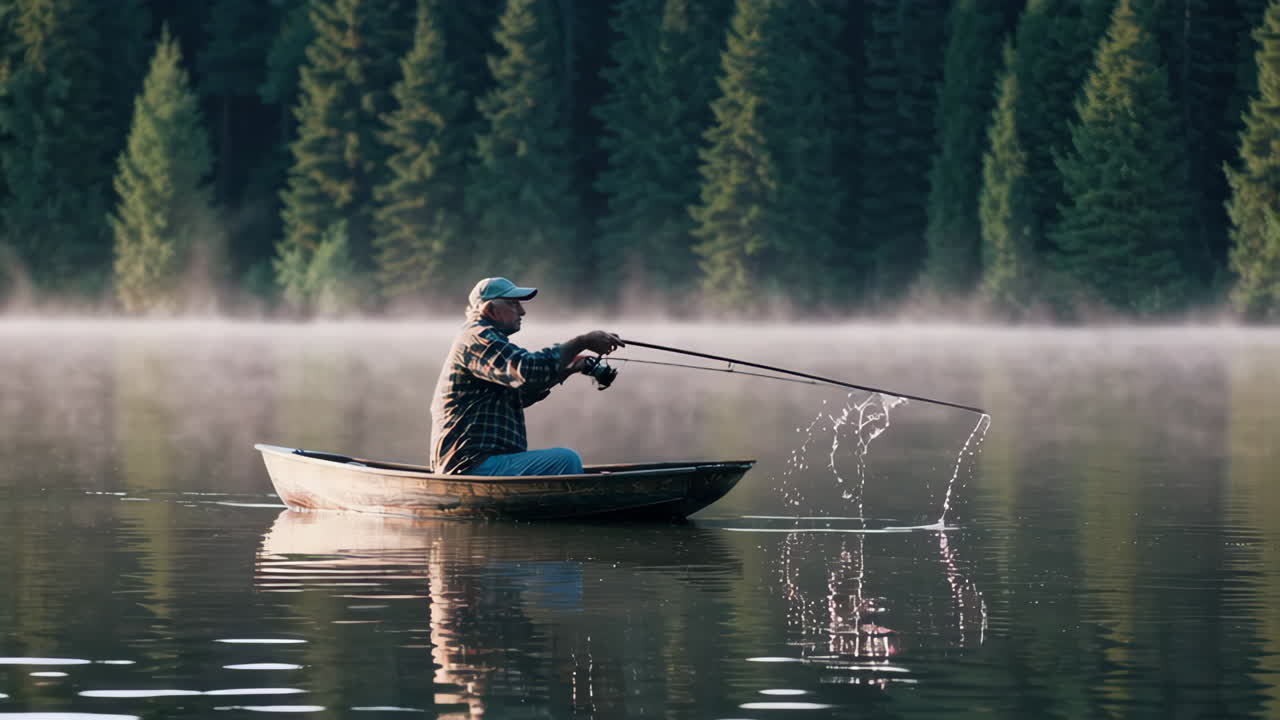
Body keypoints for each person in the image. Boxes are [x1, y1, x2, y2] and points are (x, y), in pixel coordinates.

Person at [429, 277, 623, 476]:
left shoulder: (484, 339)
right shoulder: (478, 338)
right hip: (470, 466)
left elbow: (522, 393)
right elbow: (527, 372)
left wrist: (570, 367)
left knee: (565, 463)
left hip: (481, 464)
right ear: (490, 309)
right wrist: (582, 342)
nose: (522, 311)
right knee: (566, 460)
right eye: (514, 304)